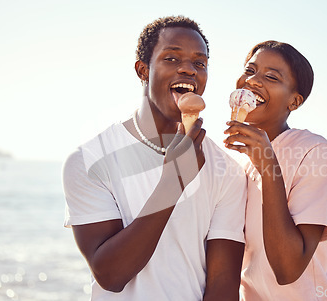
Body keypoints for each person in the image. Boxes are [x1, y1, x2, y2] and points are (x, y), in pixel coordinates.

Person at [62, 16, 246, 301]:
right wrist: (173, 183)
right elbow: (111, 276)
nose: (188, 69)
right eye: (171, 58)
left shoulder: (228, 170)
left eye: (200, 63)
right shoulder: (89, 160)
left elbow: (223, 284)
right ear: (143, 70)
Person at [224, 41, 327, 300]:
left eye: (271, 77)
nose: (254, 81)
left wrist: (268, 165)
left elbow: (288, 269)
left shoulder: (314, 152)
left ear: (294, 102)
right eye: (250, 71)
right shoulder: (234, 163)